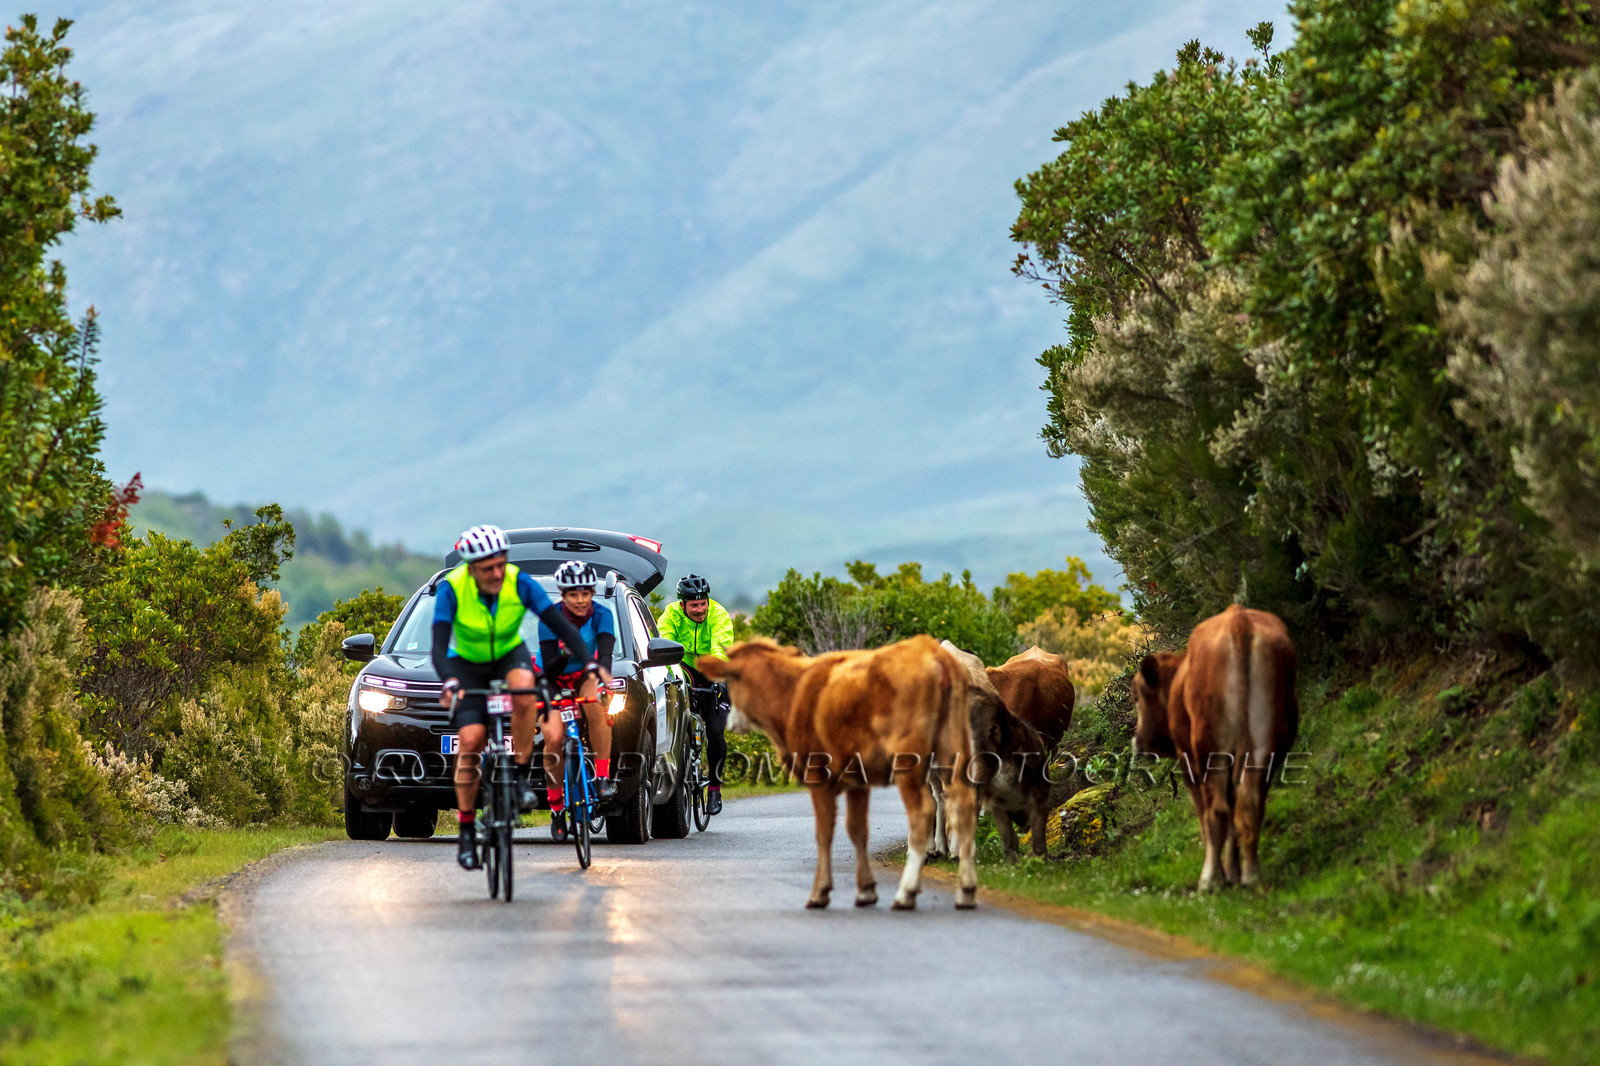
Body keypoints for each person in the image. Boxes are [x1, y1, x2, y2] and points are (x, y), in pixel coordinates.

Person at [432, 525, 595, 870]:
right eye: (488, 568)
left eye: (500, 564)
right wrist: (448, 681)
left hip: (509, 655)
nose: (496, 573)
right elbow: (438, 645)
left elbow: (559, 623)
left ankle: (519, 778)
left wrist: (591, 662)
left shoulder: (518, 582)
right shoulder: (452, 589)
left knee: (525, 689)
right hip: (467, 664)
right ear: (471, 567)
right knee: (471, 739)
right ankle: (465, 829)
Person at [536, 560, 617, 841]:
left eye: (585, 593)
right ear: (563, 595)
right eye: (573, 594)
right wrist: (567, 654)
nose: (580, 600)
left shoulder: (602, 616)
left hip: (585, 674)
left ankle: (603, 779)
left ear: (592, 594)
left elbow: (605, 654)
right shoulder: (550, 619)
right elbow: (549, 666)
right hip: (553, 677)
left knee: (596, 705)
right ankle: (557, 806)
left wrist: (603, 673)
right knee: (554, 738)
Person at [655, 573, 735, 814]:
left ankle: (714, 789)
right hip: (685, 668)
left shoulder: (718, 614)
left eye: (703, 603)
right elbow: (665, 648)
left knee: (716, 732)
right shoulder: (671, 614)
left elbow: (720, 648)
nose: (700, 609)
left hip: (712, 668)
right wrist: (673, 676)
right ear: (683, 604)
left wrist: (719, 678)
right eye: (694, 605)